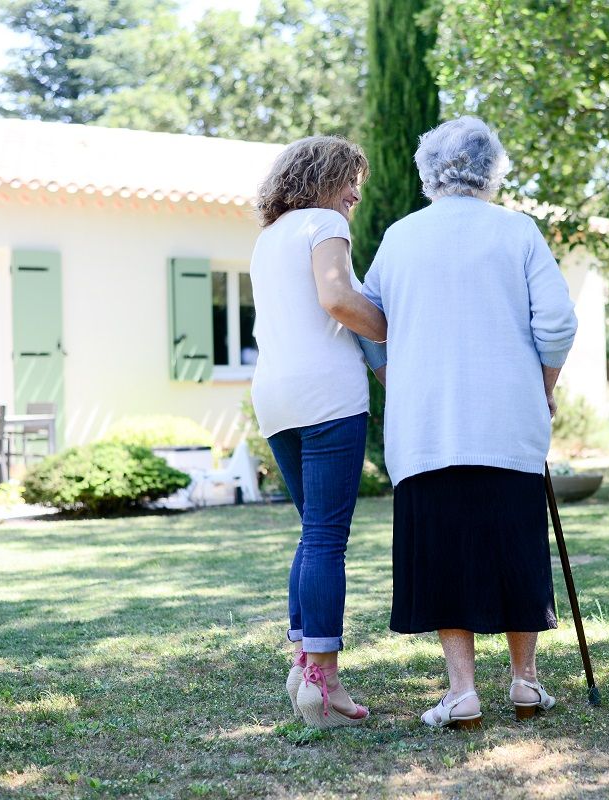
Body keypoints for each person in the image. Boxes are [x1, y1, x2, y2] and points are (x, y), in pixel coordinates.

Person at [362, 116, 578, 728]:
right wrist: (542, 389)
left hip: (427, 425)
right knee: (515, 546)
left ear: (428, 170)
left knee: (443, 552)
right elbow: (558, 323)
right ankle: (525, 683)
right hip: (508, 421)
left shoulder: (401, 236)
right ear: (493, 169)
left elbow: (369, 323)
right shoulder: (518, 232)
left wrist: (393, 379)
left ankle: (462, 692)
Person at [248, 135, 386, 729]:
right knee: (328, 540)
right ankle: (322, 685)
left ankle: (303, 662)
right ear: (325, 177)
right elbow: (337, 299)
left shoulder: (268, 238)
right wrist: (397, 326)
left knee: (312, 534)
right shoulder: (326, 223)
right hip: (328, 395)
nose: (357, 191)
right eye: (351, 177)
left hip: (275, 397)